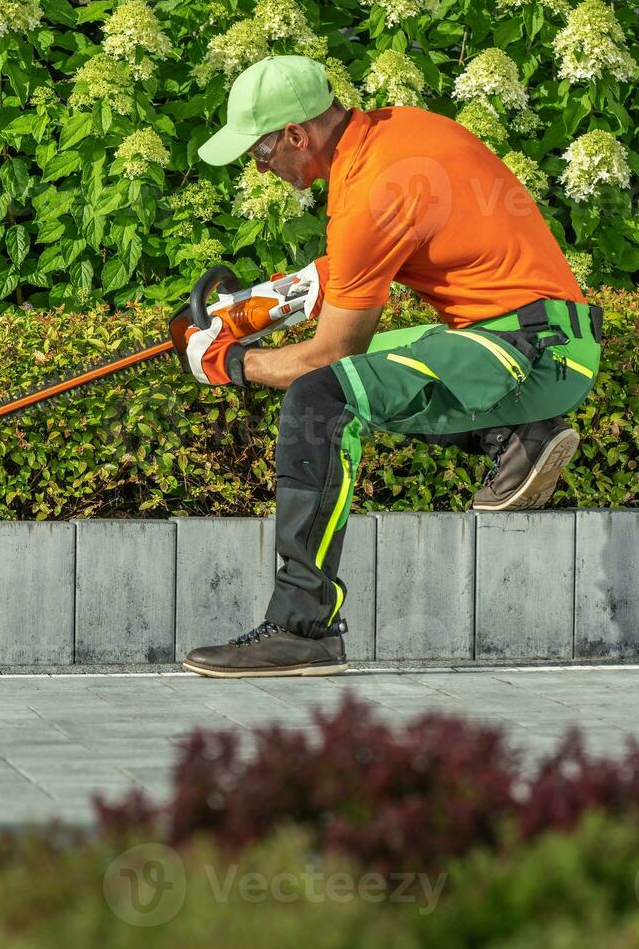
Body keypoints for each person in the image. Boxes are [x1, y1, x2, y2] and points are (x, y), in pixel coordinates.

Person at [179, 55, 603, 679]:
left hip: (531, 352)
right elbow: (356, 265)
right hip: (532, 338)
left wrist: (231, 364)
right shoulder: (394, 136)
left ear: (297, 135)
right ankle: (516, 434)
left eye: (260, 150)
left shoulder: (370, 193)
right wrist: (249, 310)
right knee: (377, 373)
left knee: (324, 396)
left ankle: (303, 628)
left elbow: (330, 354)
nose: (258, 166)